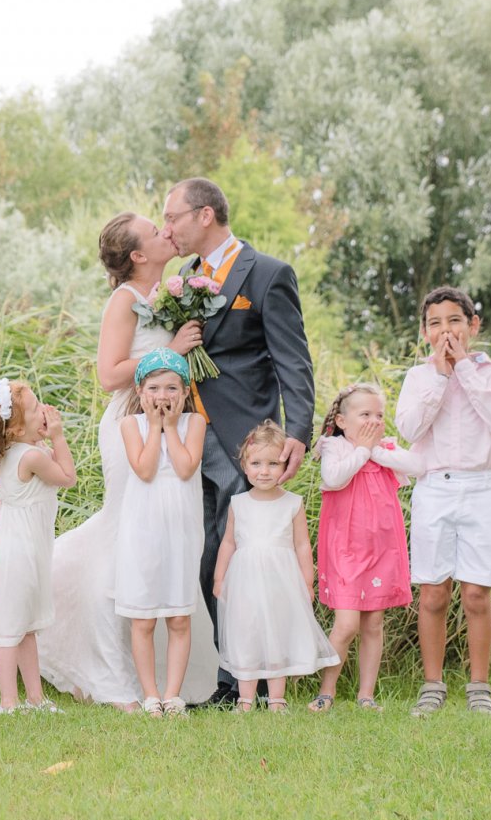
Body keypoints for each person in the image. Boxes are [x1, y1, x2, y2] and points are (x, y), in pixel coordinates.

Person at [41, 213, 216, 710]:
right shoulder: (125, 300)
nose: (165, 232)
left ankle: (163, 677)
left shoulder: (170, 292)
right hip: (130, 422)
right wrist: (171, 350)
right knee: (128, 529)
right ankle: (109, 666)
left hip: (175, 417)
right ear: (137, 255)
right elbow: (108, 374)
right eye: (154, 231)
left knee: (160, 534)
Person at [161, 178, 315, 706]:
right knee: (206, 559)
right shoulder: (183, 278)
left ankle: (244, 681)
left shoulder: (268, 273)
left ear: (205, 215)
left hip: (242, 440)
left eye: (173, 217)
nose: (167, 228)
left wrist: (297, 432)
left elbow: (293, 360)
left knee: (236, 560)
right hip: (186, 437)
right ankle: (233, 672)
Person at [395, 287, 491, 717]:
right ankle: (433, 684)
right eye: (435, 323)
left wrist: (463, 367)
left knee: (477, 593)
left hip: (481, 488)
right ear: (425, 331)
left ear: (472, 325)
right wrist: (442, 377)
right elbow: (409, 429)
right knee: (433, 593)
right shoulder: (419, 377)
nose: (445, 331)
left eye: (454, 321)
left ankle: (479, 686)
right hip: (434, 488)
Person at [308, 383, 426, 713]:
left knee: (373, 623)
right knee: (346, 624)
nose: (374, 421)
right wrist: (362, 451)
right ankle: (326, 691)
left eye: (379, 415)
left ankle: (366, 695)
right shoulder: (335, 447)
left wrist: (376, 451)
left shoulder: (384, 448)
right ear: (342, 421)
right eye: (365, 415)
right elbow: (334, 478)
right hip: (345, 549)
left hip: (382, 549)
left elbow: (417, 466)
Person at [214, 421, 339, 712]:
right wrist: (220, 578)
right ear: (244, 466)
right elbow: (229, 543)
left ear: (284, 466)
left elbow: (302, 545)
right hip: (245, 582)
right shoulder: (238, 503)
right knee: (247, 633)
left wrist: (307, 582)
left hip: (280, 582)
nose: (264, 471)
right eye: (256, 463)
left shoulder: (292, 503)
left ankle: (276, 698)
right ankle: (245, 698)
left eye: (273, 464)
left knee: (277, 634)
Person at [111, 349, 207, 717]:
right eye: (153, 388)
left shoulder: (194, 424)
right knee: (144, 617)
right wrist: (154, 427)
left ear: (184, 392)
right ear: (140, 391)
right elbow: (145, 469)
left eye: (171, 388)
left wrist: (170, 427)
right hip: (143, 529)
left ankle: (173, 695)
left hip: (180, 531)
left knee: (179, 616)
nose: (162, 396)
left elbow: (184, 468)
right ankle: (151, 695)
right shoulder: (130, 426)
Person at [0, 379, 76, 714]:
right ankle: (8, 702)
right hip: (18, 551)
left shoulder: (21, 449)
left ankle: (35, 698)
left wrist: (44, 437)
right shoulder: (31, 456)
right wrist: (58, 436)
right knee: (9, 630)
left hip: (25, 547)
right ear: (16, 428)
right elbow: (67, 477)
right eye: (35, 409)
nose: (43, 410)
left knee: (26, 625)